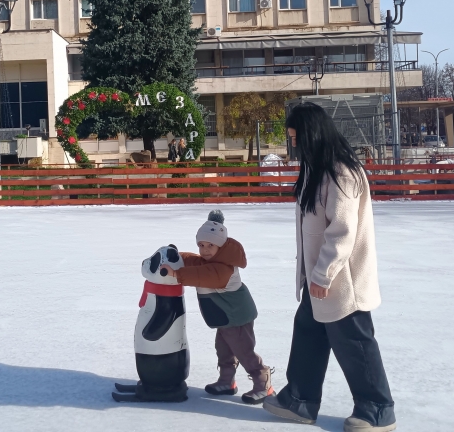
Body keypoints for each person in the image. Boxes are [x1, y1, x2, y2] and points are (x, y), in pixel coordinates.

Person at [263, 103, 396, 432]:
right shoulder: (316, 167)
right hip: (319, 278)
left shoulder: (341, 173)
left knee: (354, 340)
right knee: (308, 331)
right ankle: (300, 399)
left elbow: (342, 232)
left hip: (341, 281)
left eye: (297, 139)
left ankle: (377, 409)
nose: (294, 146)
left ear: (313, 135)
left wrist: (322, 274)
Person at [160, 210, 274, 404]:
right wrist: (176, 256)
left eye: (210, 245)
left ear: (220, 246)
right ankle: (226, 381)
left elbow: (201, 274)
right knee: (224, 349)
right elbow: (195, 261)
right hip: (225, 317)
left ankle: (263, 383)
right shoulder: (210, 260)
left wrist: (176, 273)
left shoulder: (223, 268)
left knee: (243, 351)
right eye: (201, 245)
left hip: (237, 316)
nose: (204, 250)